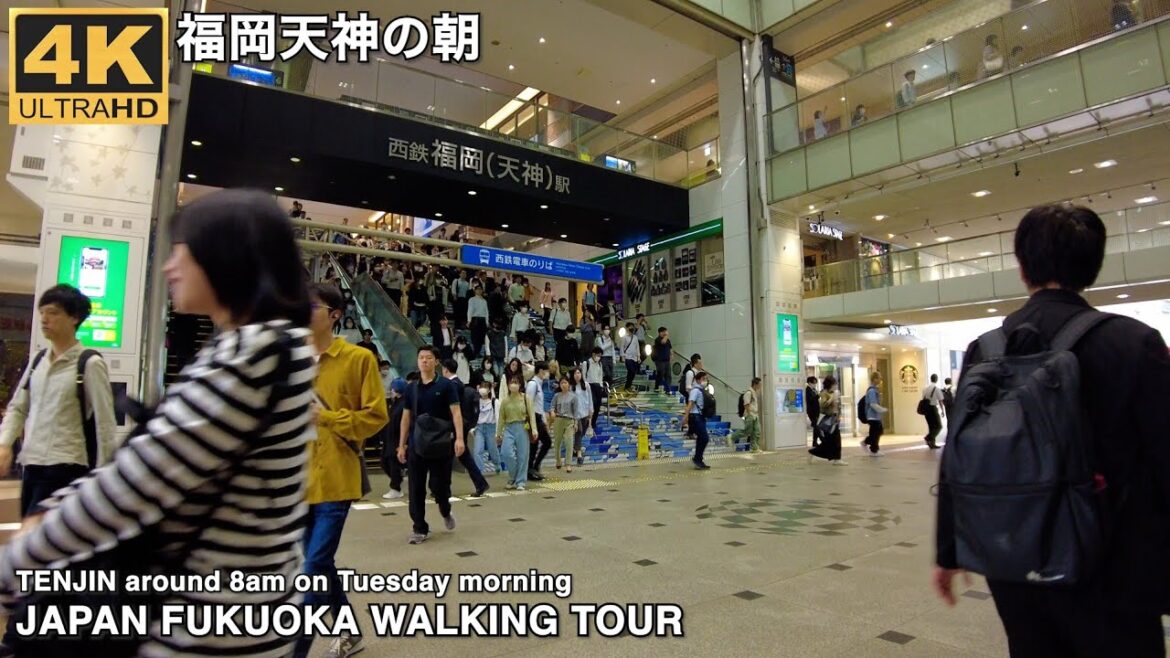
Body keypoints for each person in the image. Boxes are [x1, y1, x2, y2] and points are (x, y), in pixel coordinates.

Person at [0, 190, 315, 658]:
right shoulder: (275, 348)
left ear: (222, 257)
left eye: (181, 252)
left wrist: (15, 567)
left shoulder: (254, 354)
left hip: (207, 627)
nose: (170, 267)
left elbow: (135, 487)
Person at [933, 204, 1170, 657]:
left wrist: (948, 552)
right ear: (1094, 266)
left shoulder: (985, 349)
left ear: (1022, 267)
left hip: (1013, 559)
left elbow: (957, 458)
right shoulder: (1134, 343)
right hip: (1111, 564)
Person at [297, 283, 388, 658]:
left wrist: (328, 417)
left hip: (337, 477)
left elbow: (376, 416)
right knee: (321, 565)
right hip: (298, 482)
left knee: (313, 567)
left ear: (334, 314)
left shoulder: (358, 359)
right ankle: (350, 633)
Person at [0, 285, 117, 516]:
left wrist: (104, 476)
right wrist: (4, 443)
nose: (44, 319)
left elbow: (105, 424)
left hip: (67, 467)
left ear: (74, 318)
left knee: (39, 539)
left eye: (53, 313)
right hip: (31, 464)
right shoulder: (38, 361)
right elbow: (19, 406)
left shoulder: (89, 363)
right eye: (42, 312)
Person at [397, 346, 465, 545]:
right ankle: (419, 527)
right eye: (421, 358)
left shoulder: (446, 386)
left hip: (440, 444)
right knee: (415, 488)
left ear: (436, 362)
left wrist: (460, 438)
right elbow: (406, 418)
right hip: (417, 445)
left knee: (439, 486)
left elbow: (456, 413)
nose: (424, 361)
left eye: (428, 358)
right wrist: (401, 445)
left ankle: (445, 509)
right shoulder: (412, 388)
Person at [442, 359, 489, 498]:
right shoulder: (459, 383)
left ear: (445, 369)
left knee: (447, 458)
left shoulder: (451, 385)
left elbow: (452, 409)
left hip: (454, 426)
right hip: (460, 425)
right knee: (462, 457)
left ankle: (444, 489)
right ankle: (480, 483)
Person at [496, 374, 537, 491]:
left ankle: (520, 481)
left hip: (522, 427)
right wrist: (498, 433)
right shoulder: (505, 401)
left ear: (520, 385)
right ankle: (513, 476)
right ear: (508, 385)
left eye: (516, 382)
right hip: (509, 428)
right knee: (506, 452)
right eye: (511, 383)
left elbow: (531, 414)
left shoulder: (526, 398)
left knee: (523, 455)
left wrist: (534, 429)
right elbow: (501, 418)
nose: (513, 385)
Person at [381, 378, 408, 500]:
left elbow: (406, 424)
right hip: (390, 438)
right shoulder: (395, 403)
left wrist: (403, 443)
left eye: (393, 389)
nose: (391, 391)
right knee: (385, 462)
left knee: (393, 463)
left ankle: (395, 487)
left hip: (397, 439)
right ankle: (398, 481)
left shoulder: (404, 404)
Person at [526, 361, 553, 481]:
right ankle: (533, 468)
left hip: (538, 417)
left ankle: (532, 469)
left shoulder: (539, 384)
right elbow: (529, 403)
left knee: (535, 445)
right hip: (533, 418)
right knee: (545, 442)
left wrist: (543, 419)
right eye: (546, 371)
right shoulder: (533, 384)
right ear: (541, 371)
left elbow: (539, 404)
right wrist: (532, 421)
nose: (547, 373)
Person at [808, 376, 845, 464]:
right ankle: (814, 452)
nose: (835, 386)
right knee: (830, 441)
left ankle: (837, 458)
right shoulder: (824, 393)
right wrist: (832, 398)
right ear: (830, 384)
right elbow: (823, 405)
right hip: (828, 420)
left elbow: (837, 406)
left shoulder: (835, 392)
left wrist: (839, 414)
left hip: (834, 419)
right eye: (834, 384)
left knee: (835, 440)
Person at [682, 371, 712, 470]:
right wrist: (686, 417)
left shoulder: (702, 390)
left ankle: (698, 459)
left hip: (700, 417)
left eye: (706, 379)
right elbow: (690, 404)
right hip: (695, 417)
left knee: (701, 438)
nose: (705, 381)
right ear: (698, 380)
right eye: (704, 379)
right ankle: (697, 459)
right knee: (704, 438)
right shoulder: (695, 390)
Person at [472, 380, 501, 476]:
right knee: (477, 450)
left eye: (485, 387)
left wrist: (498, 432)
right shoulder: (476, 401)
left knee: (493, 450)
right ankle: (479, 471)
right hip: (479, 428)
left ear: (489, 390)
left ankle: (497, 465)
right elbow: (473, 415)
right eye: (481, 387)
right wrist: (473, 428)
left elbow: (498, 417)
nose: (483, 389)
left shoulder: (494, 402)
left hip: (491, 428)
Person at [550, 377, 578, 473]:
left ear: (568, 384)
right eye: (562, 383)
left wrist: (576, 423)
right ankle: (558, 460)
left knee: (569, 441)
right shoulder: (557, 396)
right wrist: (552, 412)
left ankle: (568, 464)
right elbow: (552, 406)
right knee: (557, 442)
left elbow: (576, 411)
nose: (563, 385)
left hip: (569, 420)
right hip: (558, 420)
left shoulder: (573, 397)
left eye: (565, 382)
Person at [570, 367, 593, 467]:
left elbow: (590, 398)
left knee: (582, 432)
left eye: (579, 373)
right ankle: (579, 455)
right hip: (576, 414)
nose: (577, 375)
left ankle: (575, 448)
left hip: (585, 412)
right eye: (575, 373)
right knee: (579, 432)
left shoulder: (586, 385)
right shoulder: (571, 387)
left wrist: (591, 410)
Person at [861, 371, 888, 455]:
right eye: (879, 378)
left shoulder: (875, 390)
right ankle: (873, 450)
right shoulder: (872, 391)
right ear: (874, 379)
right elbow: (873, 404)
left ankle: (868, 444)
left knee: (878, 432)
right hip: (872, 416)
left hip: (876, 416)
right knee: (875, 433)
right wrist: (882, 409)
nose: (880, 379)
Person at [583, 347, 606, 432]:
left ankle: (593, 422)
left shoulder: (600, 364)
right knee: (593, 403)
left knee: (598, 405)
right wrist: (585, 386)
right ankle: (587, 422)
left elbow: (600, 376)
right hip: (589, 385)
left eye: (600, 356)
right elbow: (583, 375)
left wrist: (600, 385)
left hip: (597, 386)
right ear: (593, 354)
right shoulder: (587, 363)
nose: (599, 357)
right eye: (598, 355)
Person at [921, 373, 944, 449]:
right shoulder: (936, 389)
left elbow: (923, 399)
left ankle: (932, 444)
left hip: (926, 409)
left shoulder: (925, 388)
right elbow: (940, 401)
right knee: (939, 426)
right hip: (933, 408)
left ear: (931, 379)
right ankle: (928, 437)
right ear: (936, 379)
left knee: (931, 426)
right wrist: (942, 411)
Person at [467, 285, 489, 356]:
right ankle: (475, 351)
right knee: (475, 336)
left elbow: (486, 312)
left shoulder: (484, 301)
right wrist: (469, 320)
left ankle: (478, 352)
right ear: (475, 290)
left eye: (480, 289)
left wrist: (487, 321)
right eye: (478, 289)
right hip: (475, 319)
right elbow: (470, 310)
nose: (479, 291)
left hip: (482, 320)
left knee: (481, 336)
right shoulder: (472, 299)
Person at [741, 377, 762, 452]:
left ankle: (755, 447)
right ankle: (731, 437)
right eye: (759, 384)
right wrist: (749, 414)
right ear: (755, 384)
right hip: (750, 415)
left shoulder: (754, 392)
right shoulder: (749, 392)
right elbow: (746, 404)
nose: (760, 386)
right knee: (747, 432)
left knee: (756, 432)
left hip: (755, 415)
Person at [621, 322, 642, 391]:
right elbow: (622, 347)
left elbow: (637, 347)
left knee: (633, 372)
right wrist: (623, 356)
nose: (631, 328)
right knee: (631, 370)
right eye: (630, 327)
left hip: (635, 358)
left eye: (632, 327)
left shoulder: (635, 337)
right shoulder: (624, 337)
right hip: (627, 357)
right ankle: (628, 385)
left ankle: (628, 385)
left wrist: (638, 357)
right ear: (627, 328)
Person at [652, 326, 673, 392]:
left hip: (667, 360)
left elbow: (670, 348)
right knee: (660, 373)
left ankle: (668, 389)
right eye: (664, 332)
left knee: (668, 375)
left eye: (666, 331)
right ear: (660, 332)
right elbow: (663, 342)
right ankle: (656, 386)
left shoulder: (668, 340)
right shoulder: (657, 339)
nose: (665, 333)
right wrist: (666, 335)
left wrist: (671, 355)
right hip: (659, 360)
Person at [806, 376, 822, 448]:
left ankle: (814, 442)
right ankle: (823, 440)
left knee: (816, 427)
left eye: (815, 383)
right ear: (809, 383)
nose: (814, 384)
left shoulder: (814, 390)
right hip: (812, 412)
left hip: (816, 411)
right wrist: (818, 395)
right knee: (817, 427)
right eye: (813, 383)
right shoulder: (808, 390)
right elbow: (811, 400)